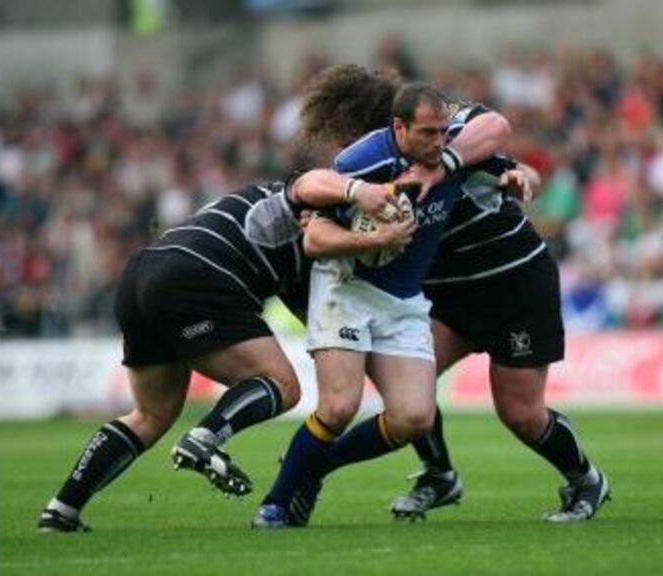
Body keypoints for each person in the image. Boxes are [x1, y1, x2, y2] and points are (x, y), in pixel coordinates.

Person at [296, 64, 611, 524]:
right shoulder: (369, 169)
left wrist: (510, 176)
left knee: (521, 413)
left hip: (512, 283)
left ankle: (586, 479)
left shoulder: (446, 139)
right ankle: (439, 473)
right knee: (406, 390)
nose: (344, 140)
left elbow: (504, 143)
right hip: (447, 297)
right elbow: (313, 203)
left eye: (346, 127)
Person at [37, 168, 415, 532]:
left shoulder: (302, 258)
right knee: (282, 385)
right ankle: (204, 439)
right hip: (195, 277)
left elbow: (323, 333)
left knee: (150, 415)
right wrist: (358, 193)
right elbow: (310, 182)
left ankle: (62, 508)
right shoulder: (313, 199)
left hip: (141, 276)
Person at [252, 81, 519, 528]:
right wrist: (373, 235)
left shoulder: (451, 152)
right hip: (346, 289)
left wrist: (517, 179)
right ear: (399, 127)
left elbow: (506, 147)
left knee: (414, 417)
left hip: (404, 300)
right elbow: (315, 238)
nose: (438, 143)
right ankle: (275, 505)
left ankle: (308, 468)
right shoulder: (365, 161)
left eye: (443, 132)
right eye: (427, 134)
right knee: (339, 407)